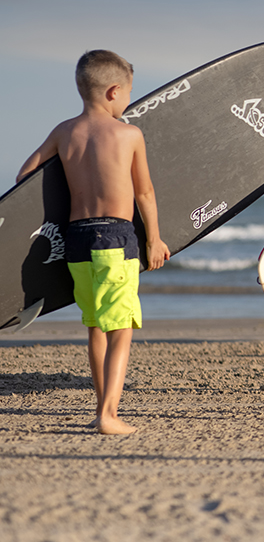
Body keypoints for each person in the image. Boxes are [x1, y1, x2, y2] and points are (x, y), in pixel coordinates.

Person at [17, 50, 170, 435]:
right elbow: (145, 192)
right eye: (130, 94)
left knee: (97, 326)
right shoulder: (128, 134)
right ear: (114, 91)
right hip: (115, 238)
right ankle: (108, 415)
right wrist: (154, 238)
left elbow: (25, 176)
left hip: (76, 239)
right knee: (122, 328)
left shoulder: (64, 132)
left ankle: (102, 409)